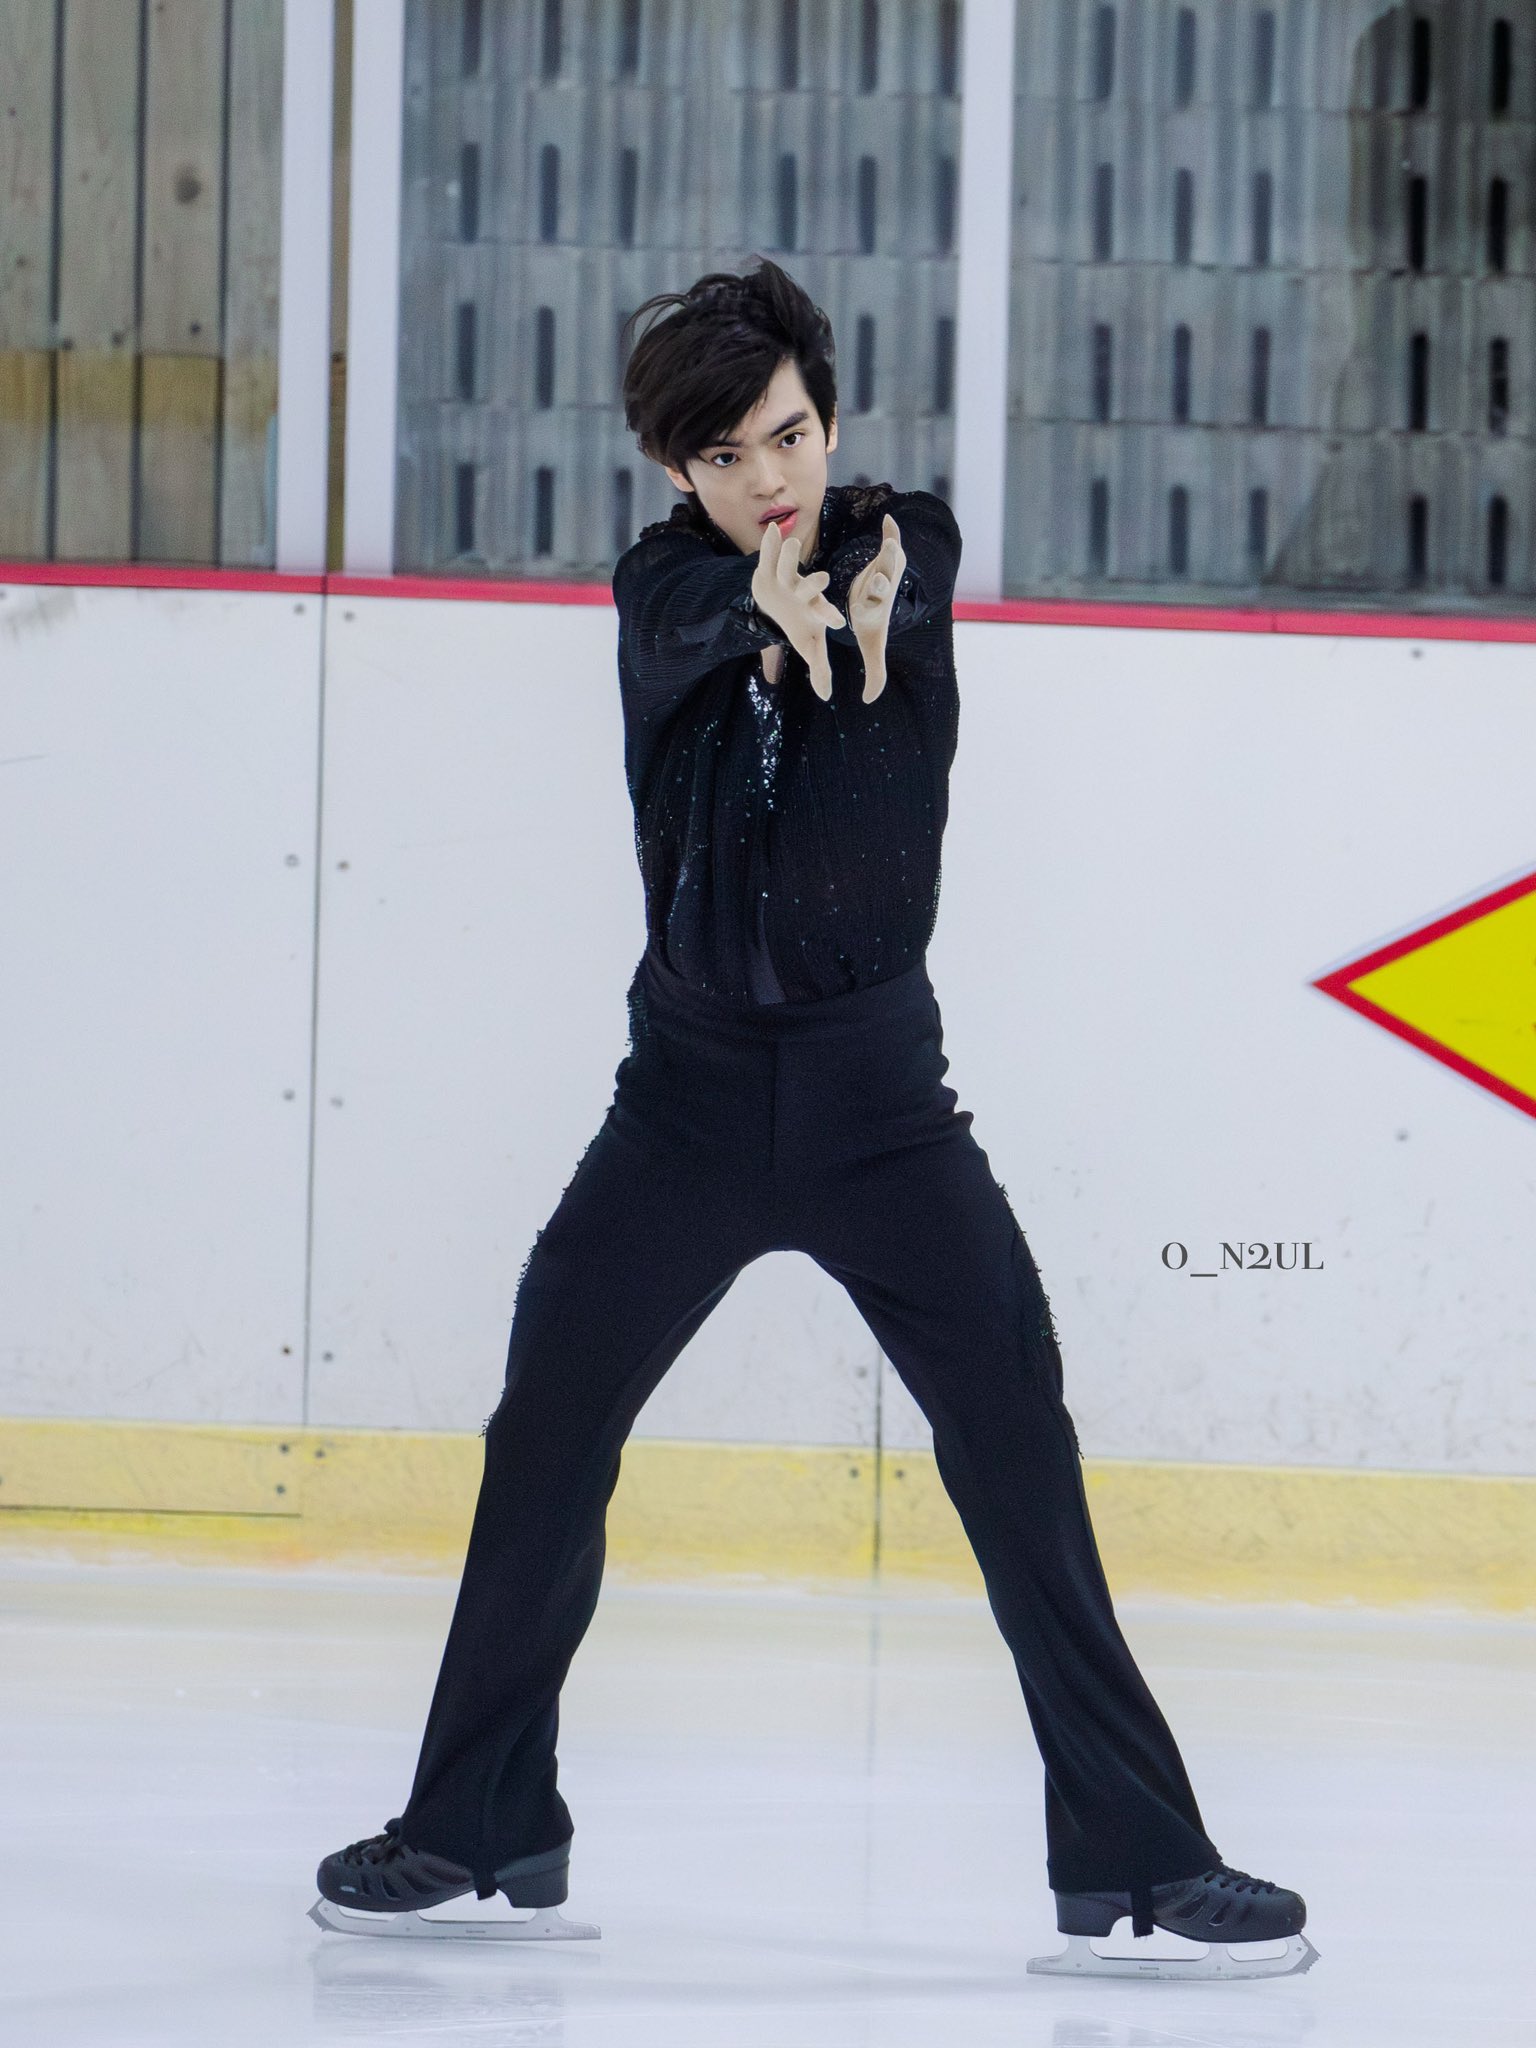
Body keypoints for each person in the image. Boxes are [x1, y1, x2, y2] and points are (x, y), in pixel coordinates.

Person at [312, 258, 1313, 1979]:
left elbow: (882, 591)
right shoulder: (661, 592)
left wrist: (834, 611)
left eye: (786, 436)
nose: (766, 477)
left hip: (881, 1109)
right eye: (725, 457)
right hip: (682, 1106)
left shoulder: (902, 549)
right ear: (678, 473)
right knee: (546, 1430)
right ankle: (482, 1821)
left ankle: (1140, 1858)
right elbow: (686, 625)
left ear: (828, 422)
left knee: (1017, 1446)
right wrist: (754, 617)